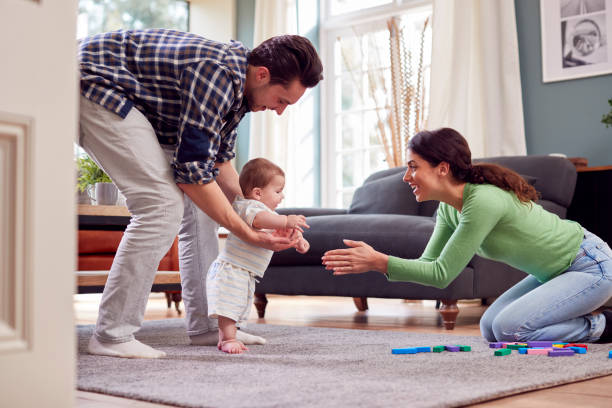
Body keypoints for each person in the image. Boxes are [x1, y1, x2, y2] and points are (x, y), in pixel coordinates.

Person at [78, 28, 323, 358]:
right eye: (282, 100)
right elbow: (192, 175)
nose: (280, 111)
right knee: (162, 206)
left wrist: (260, 216)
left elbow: (219, 165)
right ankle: (112, 333)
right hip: (92, 80)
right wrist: (246, 231)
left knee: (202, 212)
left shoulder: (240, 94)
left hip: (127, 97)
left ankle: (211, 327)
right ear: (263, 74)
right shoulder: (215, 74)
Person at [322, 127, 612, 344]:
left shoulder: (483, 201)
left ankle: (602, 325)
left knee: (511, 329)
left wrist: (379, 262)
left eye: (413, 167)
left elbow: (442, 273)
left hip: (590, 266)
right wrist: (378, 262)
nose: (405, 177)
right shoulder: (449, 209)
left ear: (443, 169)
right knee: (491, 329)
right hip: (553, 273)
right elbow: (429, 265)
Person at [207, 158, 310, 354]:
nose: (282, 196)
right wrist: (286, 220)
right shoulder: (249, 207)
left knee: (238, 306)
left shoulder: (267, 213)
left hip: (245, 271)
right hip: (231, 269)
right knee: (228, 309)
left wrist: (297, 239)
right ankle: (227, 339)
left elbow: (273, 230)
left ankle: (232, 334)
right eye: (278, 191)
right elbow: (262, 220)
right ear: (257, 193)